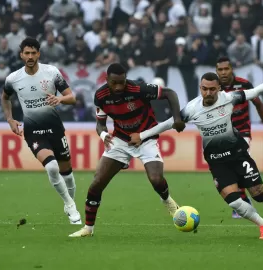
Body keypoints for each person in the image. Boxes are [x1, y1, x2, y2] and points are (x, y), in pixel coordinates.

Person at [130, 71, 263, 240]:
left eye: (212, 89)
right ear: (200, 88)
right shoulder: (192, 108)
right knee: (233, 201)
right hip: (217, 161)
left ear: (219, 88)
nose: (208, 93)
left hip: (238, 154)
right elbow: (167, 124)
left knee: (257, 193)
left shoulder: (229, 98)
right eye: (204, 89)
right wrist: (142, 136)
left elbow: (255, 92)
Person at [69, 63, 185, 237]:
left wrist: (177, 118)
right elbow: (100, 125)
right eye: (114, 82)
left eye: (122, 82)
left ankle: (167, 199)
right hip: (121, 140)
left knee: (156, 179)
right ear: (106, 80)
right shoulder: (100, 96)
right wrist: (103, 136)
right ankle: (88, 228)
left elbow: (170, 93)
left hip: (145, 138)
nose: (118, 87)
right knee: (97, 183)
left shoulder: (139, 89)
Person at [0, 37, 81, 225]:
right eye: (26, 53)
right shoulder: (13, 78)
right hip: (33, 131)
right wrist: (10, 119)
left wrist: (60, 99)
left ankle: (70, 201)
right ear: (21, 55)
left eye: (33, 53)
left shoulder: (52, 72)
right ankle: (70, 205)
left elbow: (72, 97)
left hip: (55, 129)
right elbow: (5, 98)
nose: (30, 56)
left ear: (38, 54)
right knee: (51, 167)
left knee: (67, 172)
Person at [216, 56, 263, 219]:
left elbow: (259, 104)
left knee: (235, 162)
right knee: (231, 166)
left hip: (242, 132)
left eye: (226, 69)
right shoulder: (214, 88)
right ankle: (246, 198)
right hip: (222, 135)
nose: (223, 72)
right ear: (216, 71)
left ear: (232, 69)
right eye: (220, 70)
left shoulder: (244, 84)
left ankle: (247, 199)